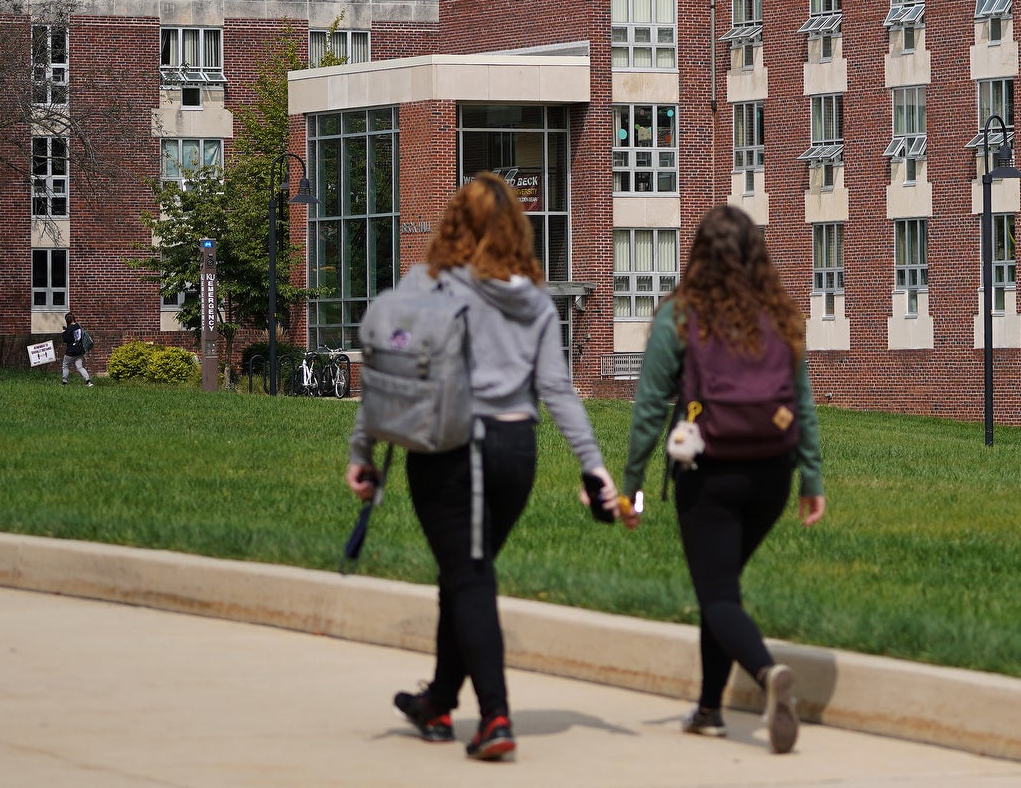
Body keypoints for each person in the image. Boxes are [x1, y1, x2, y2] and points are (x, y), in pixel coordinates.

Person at [344, 173, 619, 761]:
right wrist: (595, 469)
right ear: (516, 229)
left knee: (469, 579)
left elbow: (391, 376)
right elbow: (558, 391)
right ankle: (438, 703)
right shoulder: (537, 301)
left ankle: (495, 717)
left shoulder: (430, 285)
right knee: (462, 575)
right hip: (517, 454)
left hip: (451, 450)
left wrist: (361, 452)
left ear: (454, 225)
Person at [623, 204, 824, 754]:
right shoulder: (779, 316)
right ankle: (709, 709)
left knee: (716, 594)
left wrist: (631, 484)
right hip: (772, 475)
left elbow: (648, 410)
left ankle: (766, 676)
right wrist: (813, 479)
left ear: (698, 256)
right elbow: (802, 405)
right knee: (722, 591)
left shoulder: (681, 316)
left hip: (709, 472)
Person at [58, 312, 91, 386]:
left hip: (71, 351)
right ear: (74, 318)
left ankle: (64, 383)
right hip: (80, 350)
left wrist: (63, 332)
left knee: (65, 365)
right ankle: (88, 382)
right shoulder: (79, 326)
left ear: (67, 320)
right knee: (80, 367)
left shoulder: (69, 329)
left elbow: (65, 340)